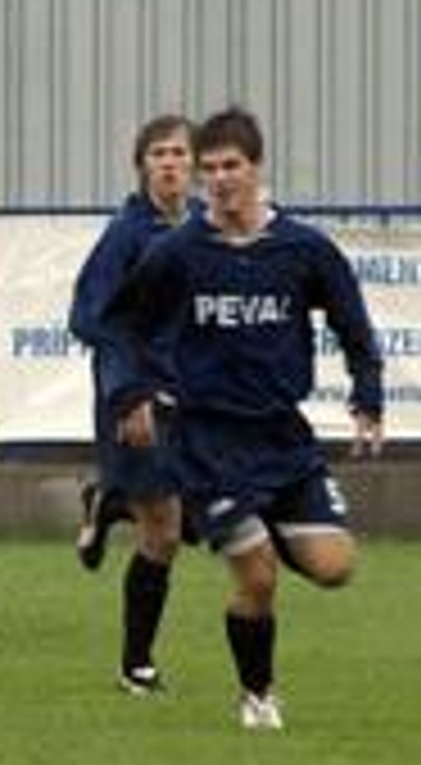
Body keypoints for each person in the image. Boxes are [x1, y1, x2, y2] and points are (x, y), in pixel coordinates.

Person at [104, 107, 384, 729]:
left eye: (231, 166)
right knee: (257, 578)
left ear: (256, 168)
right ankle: (258, 695)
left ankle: (248, 521)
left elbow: (352, 324)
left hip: (283, 438)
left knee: (335, 568)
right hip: (209, 441)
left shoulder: (303, 248)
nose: (219, 179)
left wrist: (368, 396)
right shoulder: (178, 251)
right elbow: (122, 324)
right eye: (209, 169)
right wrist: (131, 394)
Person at [66, 114, 197, 693]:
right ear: (142, 165)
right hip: (137, 399)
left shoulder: (206, 227)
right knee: (164, 532)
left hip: (193, 398)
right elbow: (88, 317)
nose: (169, 163)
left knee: (191, 520)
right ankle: (136, 665)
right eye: (158, 153)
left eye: (179, 153)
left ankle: (109, 499)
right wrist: (130, 394)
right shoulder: (127, 235)